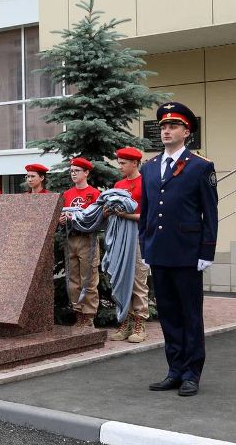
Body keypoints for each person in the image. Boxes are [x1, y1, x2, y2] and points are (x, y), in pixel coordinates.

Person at [141, 102, 218, 397]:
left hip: (187, 253)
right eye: (162, 126)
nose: (166, 131)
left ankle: (191, 373)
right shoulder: (150, 169)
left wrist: (206, 252)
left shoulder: (201, 167)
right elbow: (147, 213)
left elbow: (209, 214)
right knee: (169, 315)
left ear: (186, 132)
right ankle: (174, 370)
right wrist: (145, 247)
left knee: (190, 315)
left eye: (172, 126)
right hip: (159, 252)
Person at [107, 147, 150, 343]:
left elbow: (149, 214)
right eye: (120, 163)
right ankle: (125, 322)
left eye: (123, 163)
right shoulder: (119, 184)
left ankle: (140, 324)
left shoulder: (146, 183)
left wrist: (127, 215)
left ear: (135, 163)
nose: (120, 167)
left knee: (138, 281)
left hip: (139, 237)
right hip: (121, 237)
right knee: (122, 279)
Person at [59, 157, 101, 328]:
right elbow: (60, 217)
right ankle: (78, 314)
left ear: (86, 173)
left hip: (87, 239)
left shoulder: (94, 193)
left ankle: (89, 316)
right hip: (71, 238)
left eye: (77, 171)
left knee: (89, 279)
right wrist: (62, 219)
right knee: (73, 280)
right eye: (72, 171)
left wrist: (79, 216)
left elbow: (97, 218)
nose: (73, 174)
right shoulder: (67, 194)